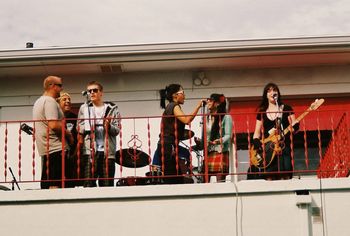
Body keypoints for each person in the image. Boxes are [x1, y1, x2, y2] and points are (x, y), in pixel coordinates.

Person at [248, 82, 299, 180]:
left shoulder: (286, 108)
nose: (272, 93)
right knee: (269, 176)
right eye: (269, 91)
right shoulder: (262, 112)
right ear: (266, 95)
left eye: (274, 90)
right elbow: (256, 133)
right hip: (269, 149)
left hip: (283, 147)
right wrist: (257, 143)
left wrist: (295, 128)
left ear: (278, 94)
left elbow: (295, 127)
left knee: (286, 175)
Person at [157, 84, 204, 184]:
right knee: (172, 176)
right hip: (168, 145)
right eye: (182, 93)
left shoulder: (171, 106)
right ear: (175, 95)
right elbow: (186, 120)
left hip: (167, 144)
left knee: (174, 176)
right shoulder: (174, 106)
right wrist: (198, 106)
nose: (184, 96)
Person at [33, 76, 73, 189]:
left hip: (48, 150)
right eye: (60, 85)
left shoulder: (39, 101)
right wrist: (68, 134)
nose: (61, 88)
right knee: (55, 185)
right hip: (56, 150)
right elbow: (54, 124)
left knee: (49, 184)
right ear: (52, 86)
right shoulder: (50, 101)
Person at [78, 81, 121, 187]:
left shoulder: (112, 109)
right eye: (89, 91)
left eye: (95, 90)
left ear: (101, 93)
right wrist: (88, 126)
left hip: (107, 152)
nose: (92, 93)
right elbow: (79, 126)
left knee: (107, 185)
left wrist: (108, 126)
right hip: (90, 151)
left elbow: (116, 130)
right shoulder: (84, 108)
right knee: (89, 183)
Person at [205, 93, 233, 182]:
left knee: (220, 179)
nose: (208, 101)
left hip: (220, 150)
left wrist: (219, 141)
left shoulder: (226, 117)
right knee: (205, 178)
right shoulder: (207, 118)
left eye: (210, 100)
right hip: (209, 150)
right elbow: (207, 134)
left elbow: (228, 135)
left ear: (217, 103)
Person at [57, 91, 79, 187]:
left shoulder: (75, 117)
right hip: (57, 154)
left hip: (71, 155)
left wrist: (75, 153)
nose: (68, 101)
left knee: (70, 183)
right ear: (58, 103)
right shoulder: (55, 118)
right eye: (64, 99)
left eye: (69, 99)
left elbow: (79, 137)